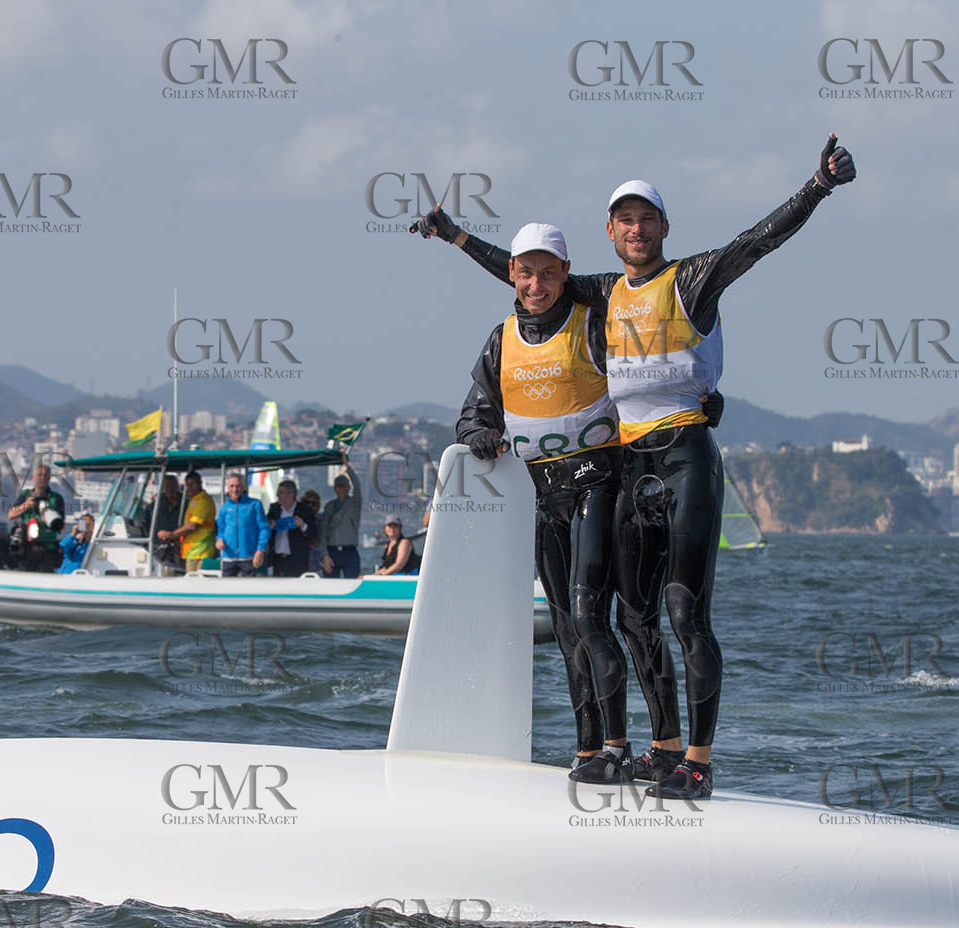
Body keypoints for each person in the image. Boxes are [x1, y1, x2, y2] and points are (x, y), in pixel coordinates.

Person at [415, 134, 857, 799]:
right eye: (625, 220)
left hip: (685, 461)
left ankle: (699, 764)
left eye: (647, 219)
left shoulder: (692, 277)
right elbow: (526, 272)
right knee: (630, 618)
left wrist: (817, 186)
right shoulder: (599, 291)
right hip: (629, 470)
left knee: (686, 615)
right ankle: (661, 748)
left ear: (663, 229)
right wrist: (455, 237)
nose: (636, 230)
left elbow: (758, 240)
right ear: (612, 232)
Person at [450, 222, 633, 783]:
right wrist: (479, 433)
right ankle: (586, 748)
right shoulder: (500, 339)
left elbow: (648, 378)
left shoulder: (593, 323)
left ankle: (618, 747)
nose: (537, 285)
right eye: (526, 273)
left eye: (548, 273)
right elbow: (473, 412)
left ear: (565, 275)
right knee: (564, 623)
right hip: (543, 496)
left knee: (588, 614)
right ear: (513, 274)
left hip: (600, 483)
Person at [8, 464, 66, 572]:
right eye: (39, 475)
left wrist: (47, 517)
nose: (42, 478)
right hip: (27, 548)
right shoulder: (25, 495)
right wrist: (26, 505)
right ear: (34, 477)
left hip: (48, 548)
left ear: (49, 478)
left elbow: (61, 525)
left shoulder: (56, 498)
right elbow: (11, 514)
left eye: (45, 475)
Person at [158, 470, 217, 573]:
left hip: (200, 551)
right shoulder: (193, 500)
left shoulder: (203, 500)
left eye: (193, 484)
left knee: (195, 585)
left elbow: (193, 526)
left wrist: (172, 534)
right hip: (191, 551)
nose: (189, 487)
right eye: (187, 485)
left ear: (200, 483)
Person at [211, 472, 268, 576]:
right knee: (227, 590)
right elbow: (221, 529)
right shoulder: (224, 507)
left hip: (249, 557)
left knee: (250, 590)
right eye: (231, 486)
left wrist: (260, 550)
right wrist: (219, 539)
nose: (235, 489)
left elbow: (264, 528)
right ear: (227, 488)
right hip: (228, 558)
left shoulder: (255, 504)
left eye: (238, 486)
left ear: (243, 487)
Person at [267, 479, 318, 577]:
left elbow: (314, 534)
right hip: (278, 560)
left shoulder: (304, 510)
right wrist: (269, 526)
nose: (278, 495)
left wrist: (303, 525)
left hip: (297, 561)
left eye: (281, 493)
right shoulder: (274, 509)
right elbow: (264, 529)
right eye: (278, 493)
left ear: (291, 494)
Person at [319, 468, 361, 578]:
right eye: (339, 486)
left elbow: (357, 485)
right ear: (335, 489)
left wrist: (348, 468)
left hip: (349, 552)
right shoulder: (329, 506)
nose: (341, 489)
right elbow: (323, 533)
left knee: (352, 585)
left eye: (344, 486)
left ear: (348, 488)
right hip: (332, 552)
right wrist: (324, 555)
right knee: (330, 586)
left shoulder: (354, 504)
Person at [149, 474, 186, 575]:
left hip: (182, 546)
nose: (170, 489)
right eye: (167, 487)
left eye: (173, 486)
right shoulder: (154, 507)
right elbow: (148, 525)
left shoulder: (186, 503)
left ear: (177, 487)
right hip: (161, 547)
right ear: (162, 488)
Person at [300, 489, 326, 572]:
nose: (309, 505)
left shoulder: (321, 520)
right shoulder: (295, 518)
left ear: (317, 506)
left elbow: (317, 541)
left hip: (316, 565)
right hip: (297, 565)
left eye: (313, 503)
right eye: (306, 502)